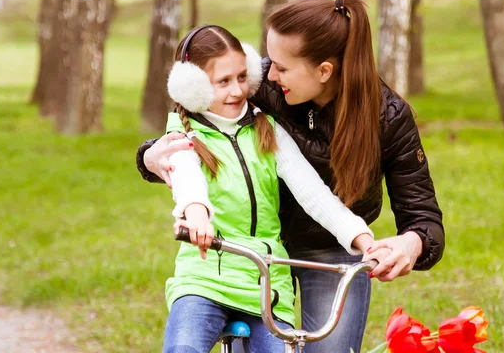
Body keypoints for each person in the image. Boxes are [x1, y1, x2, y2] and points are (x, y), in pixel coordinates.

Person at [136, 0, 445, 353]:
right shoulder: (260, 85)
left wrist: (411, 242)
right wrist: (150, 158)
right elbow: (201, 131)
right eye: (267, 62)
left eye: (281, 67)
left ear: (324, 71)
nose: (266, 74)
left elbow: (423, 216)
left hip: (333, 247)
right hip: (250, 252)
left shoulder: (388, 118)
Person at [161, 24, 383, 353]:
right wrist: (197, 215)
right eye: (223, 82)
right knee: (184, 348)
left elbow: (313, 192)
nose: (237, 91)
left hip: (265, 286)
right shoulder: (182, 135)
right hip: (204, 282)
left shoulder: (266, 127)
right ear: (192, 87)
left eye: (241, 77)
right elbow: (186, 178)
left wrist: (363, 240)